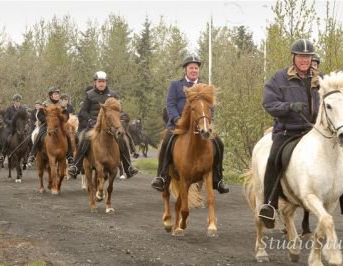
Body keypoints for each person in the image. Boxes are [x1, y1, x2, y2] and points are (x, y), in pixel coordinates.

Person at [259, 39, 343, 231]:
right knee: (274, 158)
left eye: (308, 57)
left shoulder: (323, 80)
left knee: (342, 163)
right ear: (293, 57)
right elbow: (268, 104)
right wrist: (288, 107)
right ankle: (269, 205)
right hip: (288, 130)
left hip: (317, 131)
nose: (304, 60)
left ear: (312, 59)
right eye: (301, 56)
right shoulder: (279, 78)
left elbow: (338, 103)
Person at [151, 55, 229, 194]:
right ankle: (161, 176)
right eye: (191, 68)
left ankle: (218, 179)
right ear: (185, 70)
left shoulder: (204, 86)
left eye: (196, 68)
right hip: (179, 124)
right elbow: (170, 104)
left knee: (219, 143)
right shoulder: (175, 85)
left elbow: (210, 106)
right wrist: (176, 119)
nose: (194, 70)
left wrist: (208, 121)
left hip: (200, 124)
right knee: (167, 142)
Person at [67, 71, 138, 179]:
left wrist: (121, 116)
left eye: (103, 81)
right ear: (95, 82)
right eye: (99, 81)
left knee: (123, 139)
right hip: (93, 125)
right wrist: (90, 120)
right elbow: (83, 112)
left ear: (106, 82)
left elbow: (119, 110)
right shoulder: (89, 95)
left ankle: (128, 167)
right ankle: (76, 166)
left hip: (110, 126)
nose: (101, 83)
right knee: (83, 138)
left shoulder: (113, 95)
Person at [26, 87, 74, 166]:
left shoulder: (61, 104)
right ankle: (32, 155)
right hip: (47, 124)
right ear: (51, 95)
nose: (57, 95)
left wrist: (63, 119)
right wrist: (47, 120)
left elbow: (66, 114)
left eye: (58, 94)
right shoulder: (45, 104)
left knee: (68, 135)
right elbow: (39, 114)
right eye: (55, 94)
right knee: (39, 135)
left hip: (59, 125)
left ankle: (70, 157)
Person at [0, 94, 27, 161]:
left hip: (21, 128)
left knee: (27, 137)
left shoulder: (23, 109)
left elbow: (25, 118)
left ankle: (27, 155)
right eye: (16, 101)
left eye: (19, 101)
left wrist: (24, 123)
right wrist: (12, 122)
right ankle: (3, 153)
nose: (18, 103)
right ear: (14, 101)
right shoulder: (9, 109)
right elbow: (5, 119)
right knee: (7, 138)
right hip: (11, 128)